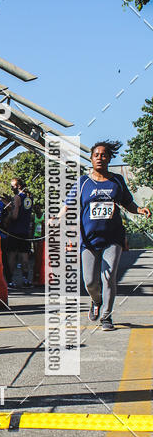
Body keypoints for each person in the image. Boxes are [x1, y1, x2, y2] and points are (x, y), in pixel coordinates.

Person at [72, 141, 150, 331]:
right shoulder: (83, 182)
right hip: (89, 240)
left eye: (104, 155)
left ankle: (106, 317)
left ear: (109, 158)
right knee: (90, 281)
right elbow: (71, 207)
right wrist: (59, 220)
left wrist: (139, 210)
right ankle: (96, 300)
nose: (100, 158)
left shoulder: (117, 181)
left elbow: (128, 203)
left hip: (113, 238)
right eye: (96, 155)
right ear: (91, 159)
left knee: (108, 278)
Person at [6, 177, 33, 288]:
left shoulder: (17, 197)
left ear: (18, 186)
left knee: (12, 255)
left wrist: (9, 214)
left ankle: (10, 280)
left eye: (13, 186)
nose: (11, 188)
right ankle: (26, 279)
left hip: (14, 231)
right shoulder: (29, 197)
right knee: (24, 256)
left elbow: (15, 215)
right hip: (25, 230)